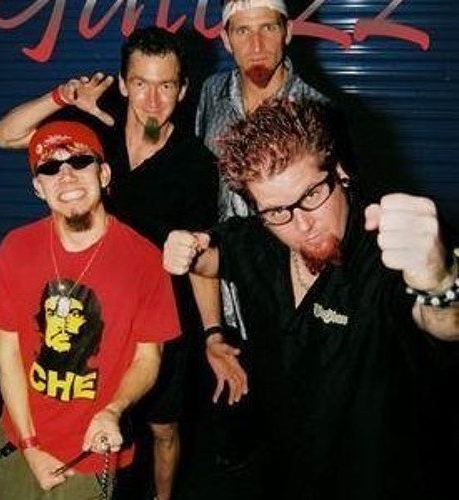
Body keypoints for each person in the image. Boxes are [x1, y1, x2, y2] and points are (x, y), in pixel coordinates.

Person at [163, 97, 459, 499]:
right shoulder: (258, 240)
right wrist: (187, 251)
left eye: (312, 194)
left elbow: (444, 324)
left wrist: (440, 284)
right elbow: (211, 260)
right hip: (288, 472)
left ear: (340, 172)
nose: (302, 224)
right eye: (276, 212)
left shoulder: (387, 252)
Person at [0, 27, 219, 500]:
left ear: (183, 89)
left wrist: (214, 333)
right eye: (141, 83)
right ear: (123, 82)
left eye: (166, 85)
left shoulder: (194, 163)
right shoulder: (94, 124)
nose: (152, 100)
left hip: (154, 308)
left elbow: (198, 257)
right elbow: (2, 135)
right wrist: (61, 97)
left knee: (163, 428)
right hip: (84, 302)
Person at [0, 120, 180, 499]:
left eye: (80, 162)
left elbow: (148, 358)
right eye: (50, 167)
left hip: (90, 454)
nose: (66, 176)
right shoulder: (16, 248)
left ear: (104, 174)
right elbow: (6, 350)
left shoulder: (145, 261)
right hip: (17, 447)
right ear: (38, 187)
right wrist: (31, 445)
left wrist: (113, 409)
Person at [194, 0, 331, 469]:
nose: (256, 44)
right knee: (231, 429)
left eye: (268, 29)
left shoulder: (317, 107)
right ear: (225, 38)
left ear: (287, 31)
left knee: (297, 432)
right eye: (242, 31)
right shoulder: (211, 94)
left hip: (288, 302)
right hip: (222, 297)